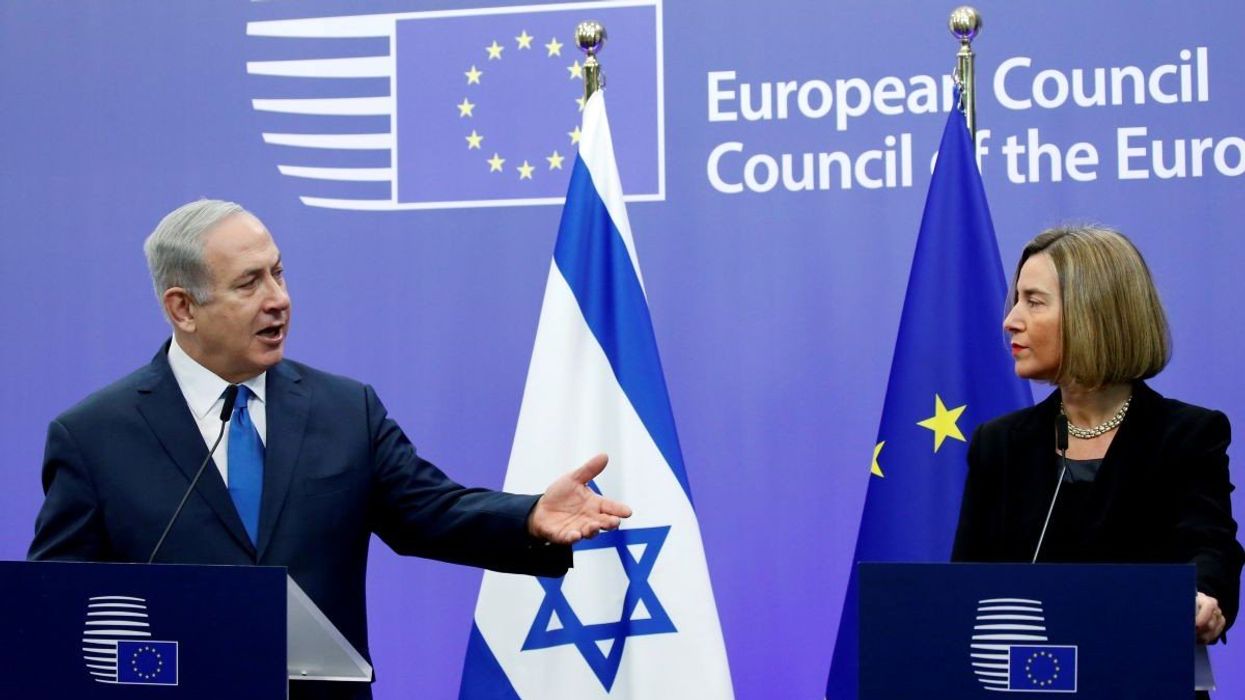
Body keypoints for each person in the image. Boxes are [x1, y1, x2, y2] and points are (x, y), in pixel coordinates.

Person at [28, 199, 632, 700]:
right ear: (183, 307)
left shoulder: (345, 411)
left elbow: (432, 513)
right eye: (249, 283)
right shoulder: (94, 438)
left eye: (278, 273)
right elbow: (58, 612)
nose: (278, 298)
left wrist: (528, 516)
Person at [953, 224, 1244, 650]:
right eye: (1017, 300)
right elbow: (966, 587)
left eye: (1033, 302)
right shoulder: (999, 444)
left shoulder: (1187, 435)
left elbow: (1209, 545)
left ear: (1093, 314)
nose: (1010, 321)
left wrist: (1202, 596)